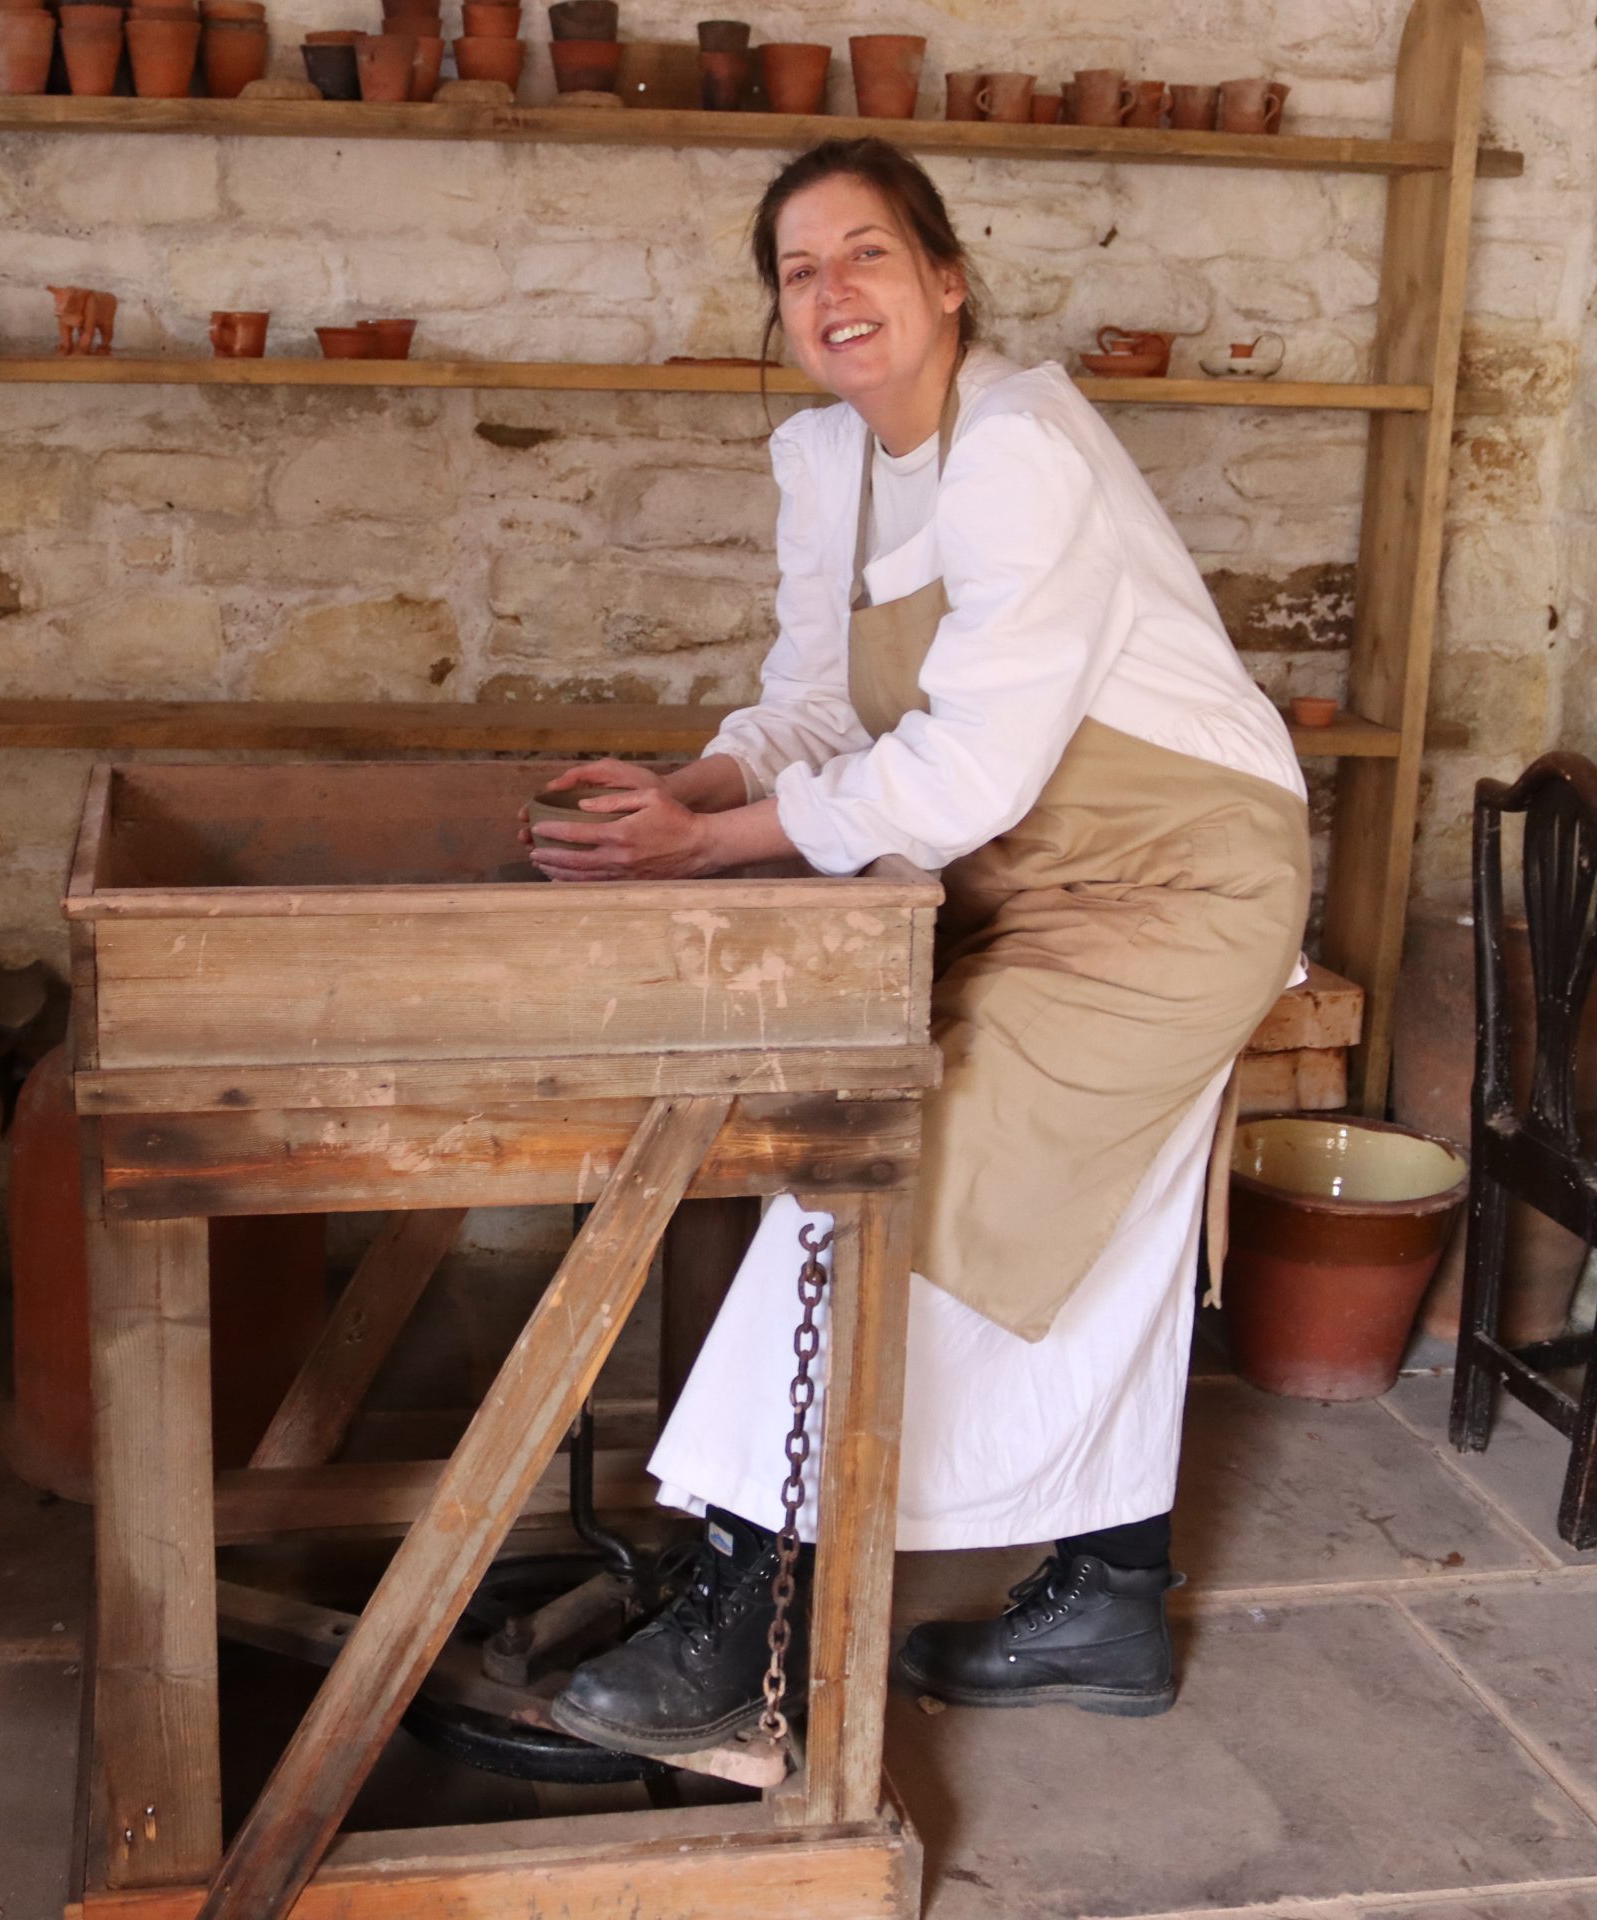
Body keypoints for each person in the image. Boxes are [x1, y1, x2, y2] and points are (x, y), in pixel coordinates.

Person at [523, 139, 1310, 1756]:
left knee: (899, 1173)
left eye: (866, 255)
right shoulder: (829, 457)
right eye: (800, 271)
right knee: (1089, 1228)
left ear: (948, 279)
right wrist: (693, 784)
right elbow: (818, 696)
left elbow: (963, 769)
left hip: (1175, 892)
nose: (833, 294)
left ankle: (749, 1602)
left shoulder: (1022, 443)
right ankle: (1106, 1597)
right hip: (1024, 887)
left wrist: (710, 848)